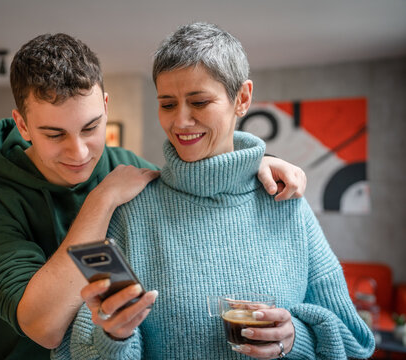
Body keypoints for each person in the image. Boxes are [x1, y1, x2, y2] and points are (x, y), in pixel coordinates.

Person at [0, 32, 307, 359]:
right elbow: (43, 328)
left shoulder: (124, 165)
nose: (79, 154)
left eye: (91, 128)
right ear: (23, 124)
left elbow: (192, 180)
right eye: (54, 134)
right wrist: (101, 200)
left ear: (106, 106)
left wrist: (259, 160)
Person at [52, 23, 375, 359]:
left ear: (243, 98)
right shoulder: (133, 213)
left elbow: (356, 344)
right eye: (167, 104)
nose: (180, 121)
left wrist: (295, 340)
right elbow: (78, 351)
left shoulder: (287, 204)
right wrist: (114, 338)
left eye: (200, 102)